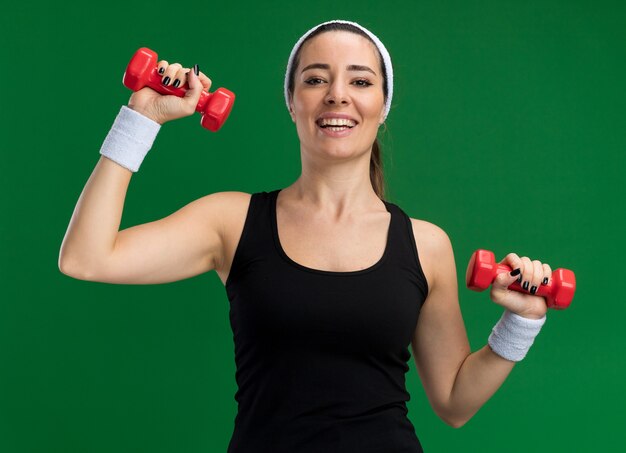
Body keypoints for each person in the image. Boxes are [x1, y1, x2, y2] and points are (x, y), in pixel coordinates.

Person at [59, 20, 553, 453]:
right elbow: (86, 258)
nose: (337, 94)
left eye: (360, 80)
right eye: (316, 79)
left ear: (383, 107)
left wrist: (522, 322)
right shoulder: (230, 221)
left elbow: (454, 402)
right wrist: (142, 117)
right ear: (292, 102)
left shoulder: (426, 244)